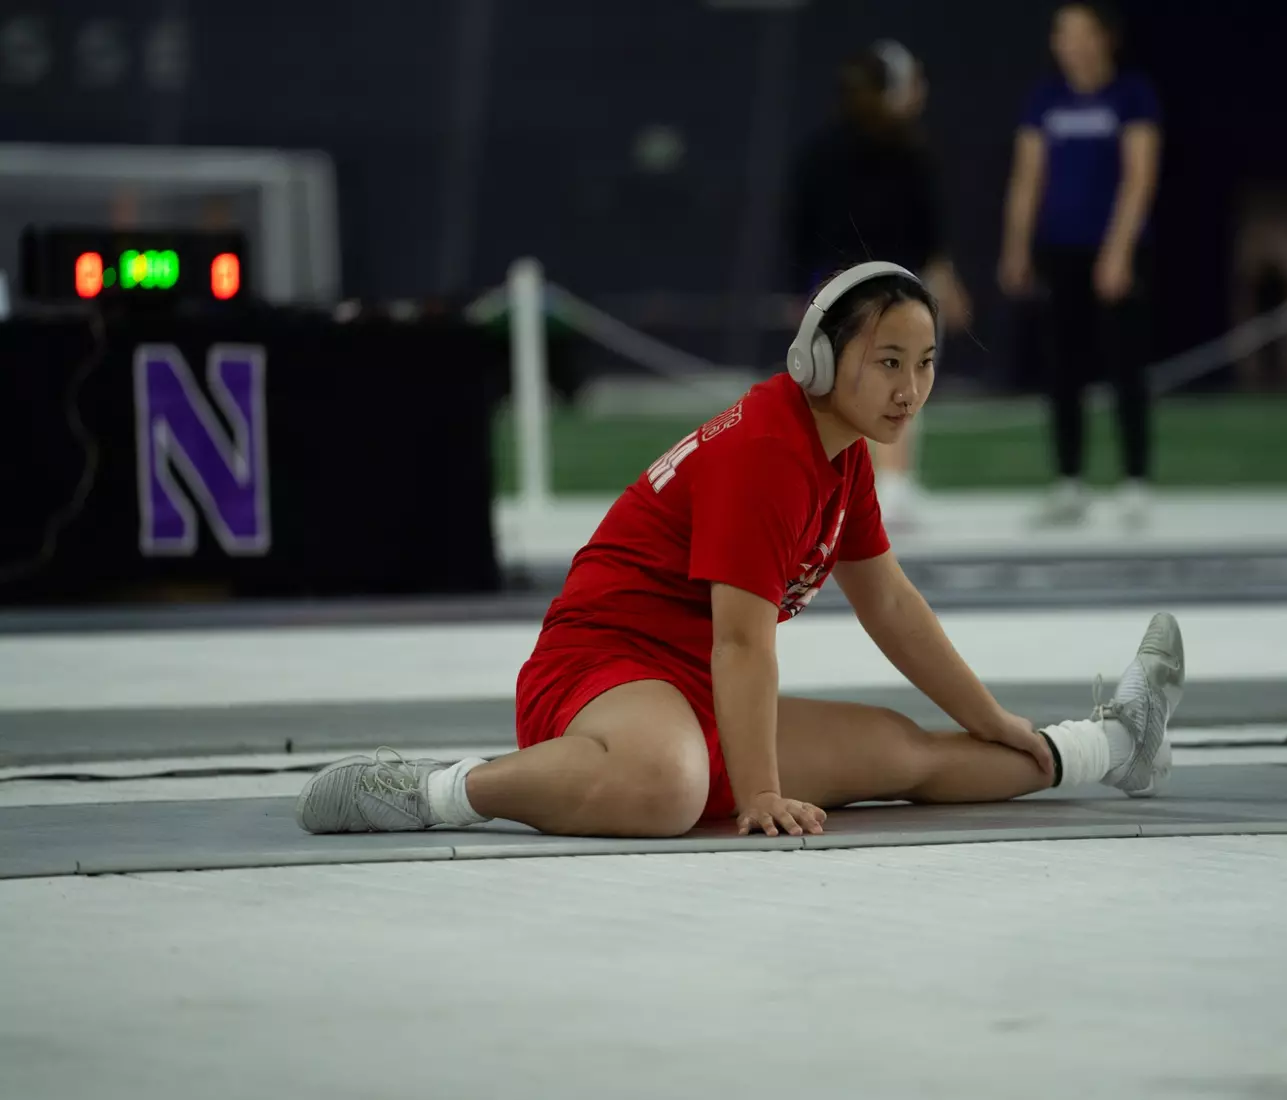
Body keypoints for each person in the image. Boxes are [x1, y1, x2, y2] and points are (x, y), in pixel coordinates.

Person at [296, 262, 1184, 840]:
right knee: (670, 785)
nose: (910, 388)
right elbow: (742, 641)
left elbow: (892, 608)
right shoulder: (768, 451)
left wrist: (995, 718)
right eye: (886, 362)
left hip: (698, 684)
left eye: (924, 363)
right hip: (603, 669)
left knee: (907, 754)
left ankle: (1112, 745)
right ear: (817, 361)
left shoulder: (838, 458)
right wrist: (759, 791)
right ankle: (434, 790)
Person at [785, 40, 972, 531]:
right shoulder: (891, 151)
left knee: (862, 383)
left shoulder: (893, 151)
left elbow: (800, 227)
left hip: (861, 286)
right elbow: (805, 223)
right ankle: (881, 486)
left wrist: (802, 290)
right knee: (888, 381)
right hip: (878, 288)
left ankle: (884, 485)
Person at [998, 1, 1162, 528]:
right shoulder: (1045, 99)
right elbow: (1028, 177)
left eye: (1079, 32)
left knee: (1124, 364)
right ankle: (1068, 482)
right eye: (1061, 33)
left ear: (1104, 37)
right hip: (1059, 249)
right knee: (1063, 367)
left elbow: (1139, 177)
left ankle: (1136, 481)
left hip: (1114, 249)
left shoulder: (1131, 95)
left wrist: (1119, 250)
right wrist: (1017, 245)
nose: (1069, 43)